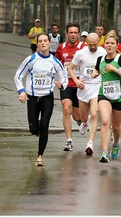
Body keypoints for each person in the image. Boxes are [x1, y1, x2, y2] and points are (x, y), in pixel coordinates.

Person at [14, 33, 68, 166]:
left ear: (50, 43)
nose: (43, 43)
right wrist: (21, 91)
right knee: (34, 129)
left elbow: (64, 77)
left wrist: (62, 85)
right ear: (37, 44)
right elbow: (18, 76)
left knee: (45, 126)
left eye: (45, 41)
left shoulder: (55, 61)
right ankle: (36, 125)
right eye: (40, 41)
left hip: (47, 97)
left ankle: (40, 155)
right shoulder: (31, 59)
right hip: (32, 97)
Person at [91, 30, 121, 163]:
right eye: (107, 43)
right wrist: (94, 73)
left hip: (119, 97)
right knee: (105, 121)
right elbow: (97, 69)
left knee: (116, 126)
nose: (109, 45)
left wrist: (116, 70)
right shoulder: (100, 59)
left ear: (117, 45)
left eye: (112, 43)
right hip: (104, 94)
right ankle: (104, 152)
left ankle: (115, 144)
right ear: (103, 45)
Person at [68, 32, 107, 156]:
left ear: (99, 42)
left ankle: (90, 144)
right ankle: (85, 122)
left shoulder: (103, 52)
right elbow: (70, 68)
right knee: (83, 117)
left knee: (94, 114)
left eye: (95, 44)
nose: (93, 47)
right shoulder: (81, 53)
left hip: (97, 86)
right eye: (90, 45)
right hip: (84, 87)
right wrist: (76, 80)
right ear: (86, 43)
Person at [55, 22, 85, 151]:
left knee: (77, 116)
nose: (73, 35)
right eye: (70, 32)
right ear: (67, 34)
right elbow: (55, 64)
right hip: (66, 83)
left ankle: (81, 120)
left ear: (78, 34)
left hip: (80, 85)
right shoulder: (61, 47)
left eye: (75, 32)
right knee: (66, 108)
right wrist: (56, 80)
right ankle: (69, 141)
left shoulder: (83, 47)